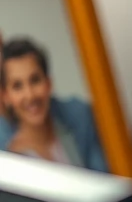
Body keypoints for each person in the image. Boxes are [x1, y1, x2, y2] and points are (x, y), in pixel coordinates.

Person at [0, 34, 107, 171]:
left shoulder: (80, 121)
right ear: (6, 96)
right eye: (17, 86)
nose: (30, 95)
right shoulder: (6, 157)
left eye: (35, 80)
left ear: (49, 83)